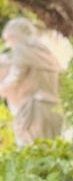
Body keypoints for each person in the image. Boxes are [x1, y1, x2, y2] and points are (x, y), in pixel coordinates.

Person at [0, 17, 63, 146]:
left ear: (15, 35)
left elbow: (15, 78)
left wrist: (2, 88)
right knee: (54, 147)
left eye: (9, 39)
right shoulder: (44, 51)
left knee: (33, 147)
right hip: (54, 106)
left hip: (34, 108)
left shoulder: (21, 50)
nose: (9, 44)